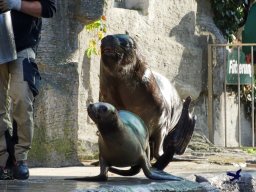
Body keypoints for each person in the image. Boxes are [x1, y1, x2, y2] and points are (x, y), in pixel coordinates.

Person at [0, 0, 56, 180]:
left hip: (23, 46)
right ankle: (2, 158)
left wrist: (15, 4)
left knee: (22, 97)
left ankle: (20, 158)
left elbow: (48, 9)